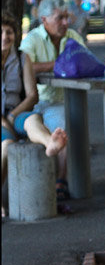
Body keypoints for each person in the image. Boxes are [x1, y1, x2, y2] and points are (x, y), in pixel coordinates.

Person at [2, 12, 68, 218]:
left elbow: (32, 95)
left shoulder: (23, 58)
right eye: (1, 32)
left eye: (9, 32)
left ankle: (51, 144)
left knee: (33, 119)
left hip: (17, 111)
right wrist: (6, 121)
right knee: (6, 145)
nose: (5, 37)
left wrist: (13, 116)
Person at [19, 0, 84, 201]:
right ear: (44, 20)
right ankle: (60, 182)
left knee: (67, 121)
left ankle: (61, 180)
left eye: (66, 17)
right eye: (59, 18)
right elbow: (23, 67)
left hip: (67, 99)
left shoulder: (72, 36)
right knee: (62, 126)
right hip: (40, 102)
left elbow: (85, 60)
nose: (65, 23)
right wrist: (57, 64)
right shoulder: (33, 39)